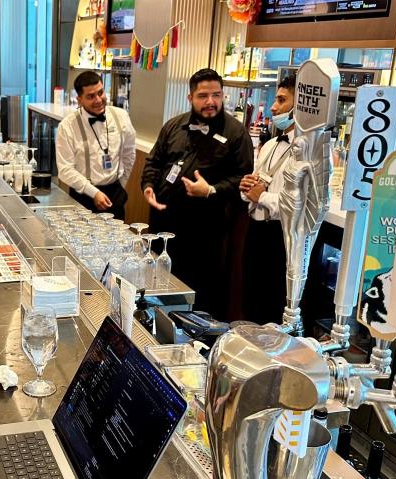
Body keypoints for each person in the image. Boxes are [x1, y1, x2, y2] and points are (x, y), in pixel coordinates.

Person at [141, 69, 253, 319]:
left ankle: (196, 344)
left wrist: (211, 190)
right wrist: (148, 185)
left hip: (206, 232)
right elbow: (154, 161)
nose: (211, 101)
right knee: (159, 284)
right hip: (164, 222)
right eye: (203, 95)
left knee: (200, 295)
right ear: (190, 97)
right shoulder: (173, 126)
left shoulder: (236, 134)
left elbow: (243, 180)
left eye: (216, 94)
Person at [239, 75, 296, 324]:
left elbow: (297, 205)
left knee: (271, 309)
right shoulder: (270, 144)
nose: (274, 107)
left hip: (280, 237)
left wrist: (262, 196)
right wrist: (246, 188)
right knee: (248, 301)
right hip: (255, 231)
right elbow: (255, 185)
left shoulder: (308, 153)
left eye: (282, 100)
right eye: (275, 99)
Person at [55, 71, 136, 221]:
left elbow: (128, 154)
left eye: (100, 93)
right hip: (83, 196)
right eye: (91, 96)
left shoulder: (121, 116)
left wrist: (121, 186)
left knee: (116, 241)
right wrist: (94, 192)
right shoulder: (67, 126)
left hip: (115, 194)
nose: (98, 100)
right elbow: (65, 170)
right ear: (79, 100)